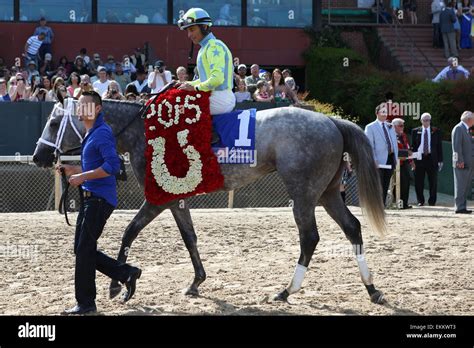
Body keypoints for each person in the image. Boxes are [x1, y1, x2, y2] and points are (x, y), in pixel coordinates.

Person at [57, 91, 142, 314]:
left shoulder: (102, 133)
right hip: (91, 199)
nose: (80, 108)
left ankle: (86, 303)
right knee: (82, 249)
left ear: (97, 109)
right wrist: (74, 170)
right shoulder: (91, 133)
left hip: (99, 200)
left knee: (84, 249)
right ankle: (126, 273)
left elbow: (112, 166)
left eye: (86, 105)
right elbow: (95, 166)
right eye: (79, 105)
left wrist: (82, 177)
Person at [177, 7, 236, 116]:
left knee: (177, 108)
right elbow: (205, 80)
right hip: (216, 97)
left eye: (192, 30)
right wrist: (185, 84)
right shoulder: (205, 48)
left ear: (204, 27)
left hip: (221, 99)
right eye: (188, 31)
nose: (189, 35)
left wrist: (194, 88)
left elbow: (217, 79)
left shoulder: (214, 46)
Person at [365, 103, 398, 206]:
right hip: (378, 161)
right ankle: (376, 206)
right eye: (383, 112)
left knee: (386, 184)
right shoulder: (370, 127)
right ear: (377, 113)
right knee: (378, 185)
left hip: (390, 158)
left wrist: (395, 158)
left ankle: (382, 206)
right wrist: (374, 159)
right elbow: (369, 145)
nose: (385, 114)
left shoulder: (390, 126)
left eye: (386, 112)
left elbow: (394, 143)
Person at [411, 113, 443, 206]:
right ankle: (420, 201)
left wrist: (440, 160)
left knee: (433, 181)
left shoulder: (436, 131)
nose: (426, 122)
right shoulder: (415, 131)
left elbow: (439, 146)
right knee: (418, 181)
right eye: (424, 120)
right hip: (419, 158)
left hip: (432, 158)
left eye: (428, 120)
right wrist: (412, 160)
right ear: (421, 121)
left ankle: (432, 201)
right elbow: (413, 146)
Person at [451, 110, 474, 214]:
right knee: (460, 186)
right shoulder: (459, 128)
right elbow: (456, 146)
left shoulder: (466, 129)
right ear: (469, 119)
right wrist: (459, 161)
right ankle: (459, 207)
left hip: (468, 163)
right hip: (462, 163)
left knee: (465, 186)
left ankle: (462, 206)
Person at [392, 118, 415, 209]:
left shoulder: (404, 135)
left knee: (406, 182)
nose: (402, 127)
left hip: (404, 162)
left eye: (403, 125)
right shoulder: (392, 135)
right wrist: (407, 152)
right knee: (398, 184)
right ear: (394, 126)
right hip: (395, 164)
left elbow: (408, 149)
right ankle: (398, 203)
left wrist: (411, 161)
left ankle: (404, 204)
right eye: (400, 125)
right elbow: (395, 150)